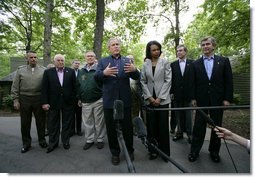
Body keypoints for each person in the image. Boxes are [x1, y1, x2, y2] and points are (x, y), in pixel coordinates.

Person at [94, 37, 140, 165]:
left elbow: (137, 77)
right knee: (111, 129)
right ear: (109, 48)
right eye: (113, 45)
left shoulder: (127, 60)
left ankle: (130, 151)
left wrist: (134, 70)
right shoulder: (103, 61)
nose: (116, 46)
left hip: (125, 100)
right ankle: (115, 153)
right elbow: (96, 78)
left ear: (120, 47)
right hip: (109, 101)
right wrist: (104, 73)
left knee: (127, 128)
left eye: (118, 44)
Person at [188, 36, 233, 163]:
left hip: (217, 100)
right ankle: (194, 151)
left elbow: (229, 81)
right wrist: (192, 98)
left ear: (213, 46)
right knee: (198, 126)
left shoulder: (223, 61)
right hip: (201, 100)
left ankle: (214, 151)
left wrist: (227, 98)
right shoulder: (195, 64)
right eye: (203, 45)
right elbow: (192, 83)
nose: (205, 46)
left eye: (208, 44)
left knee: (217, 127)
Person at [140, 40, 172, 162]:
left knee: (163, 127)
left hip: (162, 100)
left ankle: (165, 153)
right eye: (153, 50)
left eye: (158, 49)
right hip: (150, 100)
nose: (156, 52)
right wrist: (150, 97)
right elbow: (142, 81)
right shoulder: (145, 64)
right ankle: (153, 151)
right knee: (151, 127)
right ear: (149, 51)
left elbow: (168, 81)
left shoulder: (165, 62)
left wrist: (159, 98)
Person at [11, 50, 48, 153]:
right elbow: (15, 86)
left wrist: (46, 100)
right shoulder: (20, 70)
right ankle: (26, 143)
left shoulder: (43, 70)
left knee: (41, 122)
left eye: (35, 57)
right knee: (25, 123)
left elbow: (46, 87)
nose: (33, 59)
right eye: (31, 57)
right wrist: (15, 100)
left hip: (38, 99)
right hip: (24, 99)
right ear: (27, 59)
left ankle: (42, 140)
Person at [41, 54, 77, 153]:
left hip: (68, 102)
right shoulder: (48, 72)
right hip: (53, 102)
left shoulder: (71, 71)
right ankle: (53, 143)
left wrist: (74, 99)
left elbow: (75, 86)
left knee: (66, 124)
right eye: (58, 60)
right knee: (53, 124)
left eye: (62, 60)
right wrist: (44, 102)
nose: (61, 62)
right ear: (54, 62)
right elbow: (44, 88)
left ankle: (66, 142)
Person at [77, 51, 105, 150]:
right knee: (87, 121)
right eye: (88, 56)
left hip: (98, 100)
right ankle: (89, 140)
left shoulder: (100, 69)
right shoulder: (81, 71)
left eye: (92, 56)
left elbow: (104, 83)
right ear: (85, 58)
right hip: (85, 101)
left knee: (99, 121)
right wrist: (79, 98)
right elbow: (78, 85)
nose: (90, 58)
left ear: (95, 57)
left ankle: (100, 139)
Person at [170, 44, 194, 144]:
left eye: (180, 50)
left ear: (185, 52)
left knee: (188, 116)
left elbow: (194, 81)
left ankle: (190, 134)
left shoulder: (193, 63)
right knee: (178, 115)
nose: (178, 52)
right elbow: (170, 80)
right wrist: (171, 93)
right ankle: (179, 132)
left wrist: (194, 97)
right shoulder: (173, 64)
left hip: (188, 96)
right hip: (177, 95)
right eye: (177, 51)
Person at [70, 59, 82, 136]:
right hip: (70, 97)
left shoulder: (81, 72)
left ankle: (79, 130)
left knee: (78, 114)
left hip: (79, 97)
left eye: (78, 63)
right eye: (76, 63)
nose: (77, 64)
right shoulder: (68, 72)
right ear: (72, 63)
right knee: (71, 115)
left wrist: (80, 98)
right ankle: (71, 130)